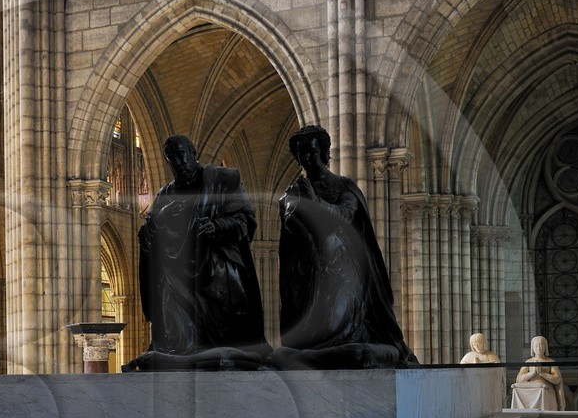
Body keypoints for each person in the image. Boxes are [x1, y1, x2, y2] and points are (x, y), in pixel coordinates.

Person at [276, 125, 416, 367]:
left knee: (343, 332)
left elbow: (344, 216)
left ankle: (333, 351)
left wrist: (313, 202)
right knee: (306, 334)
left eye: (312, 152)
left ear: (325, 151)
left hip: (342, 271)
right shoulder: (294, 191)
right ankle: (310, 354)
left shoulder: (343, 186)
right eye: (301, 154)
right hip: (307, 274)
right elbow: (290, 233)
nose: (307, 159)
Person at [126, 134, 269, 370]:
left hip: (215, 267)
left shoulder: (222, 180)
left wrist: (218, 226)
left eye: (181, 155)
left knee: (220, 288)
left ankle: (219, 351)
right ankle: (176, 350)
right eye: (171, 159)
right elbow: (151, 230)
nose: (178, 162)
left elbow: (246, 220)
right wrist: (148, 234)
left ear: (193, 154)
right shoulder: (165, 195)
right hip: (176, 277)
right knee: (171, 311)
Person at [511, 335, 565, 410]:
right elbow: (519, 379)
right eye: (536, 346)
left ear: (545, 347)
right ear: (532, 348)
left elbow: (557, 379)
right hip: (531, 393)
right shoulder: (528, 362)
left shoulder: (550, 362)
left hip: (546, 391)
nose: (539, 348)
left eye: (541, 346)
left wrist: (542, 373)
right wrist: (531, 374)